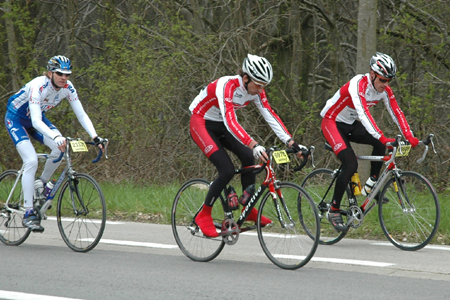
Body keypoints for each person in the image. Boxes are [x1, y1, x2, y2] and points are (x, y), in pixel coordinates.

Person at [189, 54, 307, 238]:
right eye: (258, 85)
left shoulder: (257, 90)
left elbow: (270, 115)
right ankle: (204, 214)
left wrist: (291, 142)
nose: (261, 90)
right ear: (245, 78)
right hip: (202, 122)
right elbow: (231, 121)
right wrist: (253, 143)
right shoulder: (226, 86)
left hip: (221, 124)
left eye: (264, 86)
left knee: (247, 157)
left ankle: (248, 207)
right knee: (227, 169)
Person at [4, 55, 106, 232]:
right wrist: (55, 136)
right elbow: (36, 121)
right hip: (17, 119)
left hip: (36, 119)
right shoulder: (38, 86)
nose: (64, 77)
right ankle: (29, 213)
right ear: (50, 73)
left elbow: (81, 114)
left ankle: (41, 186)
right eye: (60, 73)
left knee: (61, 147)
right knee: (31, 161)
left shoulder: (68, 87)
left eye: (67, 74)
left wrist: (95, 137)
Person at [320, 52, 420, 232]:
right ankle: (334, 209)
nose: (386, 85)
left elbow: (397, 112)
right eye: (383, 80)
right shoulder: (358, 84)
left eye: (389, 81)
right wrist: (381, 135)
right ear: (372, 74)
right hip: (332, 122)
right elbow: (364, 113)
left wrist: (409, 136)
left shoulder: (384, 91)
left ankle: (371, 186)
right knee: (350, 163)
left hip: (349, 124)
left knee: (382, 145)